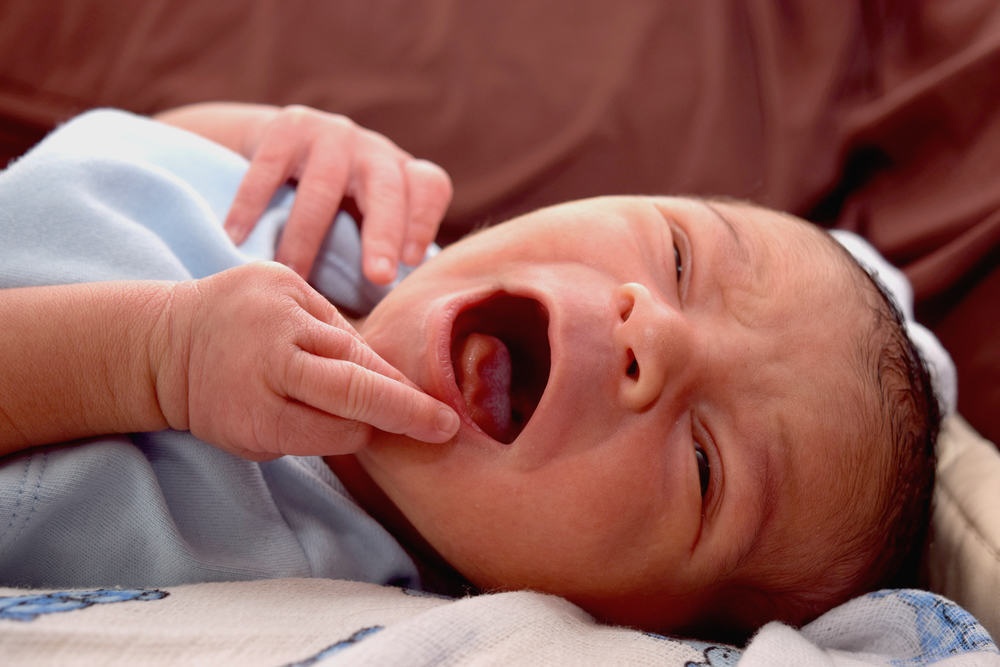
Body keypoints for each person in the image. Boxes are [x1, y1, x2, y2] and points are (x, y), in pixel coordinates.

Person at [0, 104, 942, 640]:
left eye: (707, 469)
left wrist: (150, 358)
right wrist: (255, 135)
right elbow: (96, 178)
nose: (650, 334)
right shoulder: (346, 223)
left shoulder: (313, 595)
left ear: (641, 626)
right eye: (681, 258)